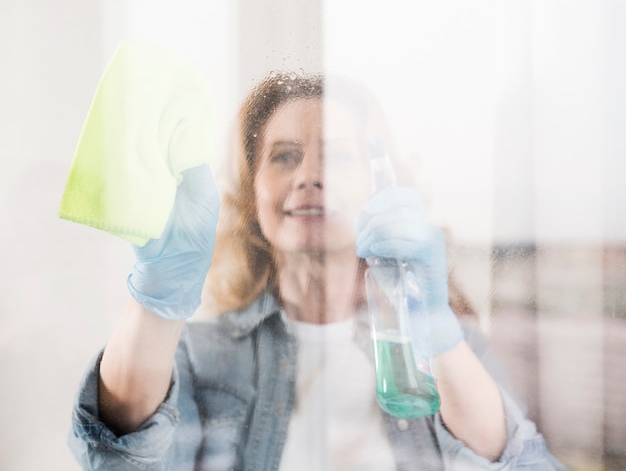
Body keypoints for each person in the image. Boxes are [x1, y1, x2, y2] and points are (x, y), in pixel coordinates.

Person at [69, 72, 567, 470]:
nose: (309, 175)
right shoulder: (199, 357)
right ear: (252, 193)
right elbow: (116, 456)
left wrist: (433, 327)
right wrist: (156, 300)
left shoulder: (454, 352)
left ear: (379, 189)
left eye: (336, 155)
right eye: (284, 156)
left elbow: (524, 465)